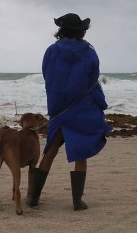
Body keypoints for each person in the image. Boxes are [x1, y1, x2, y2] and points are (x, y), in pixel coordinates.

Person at [27, 13, 112, 211]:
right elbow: (92, 82)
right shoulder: (90, 53)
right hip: (82, 109)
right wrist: (100, 103)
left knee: (51, 150)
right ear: (81, 31)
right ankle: (77, 201)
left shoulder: (51, 51)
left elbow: (48, 78)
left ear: (61, 30)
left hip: (58, 108)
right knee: (80, 151)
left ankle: (33, 198)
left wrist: (55, 101)